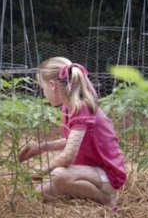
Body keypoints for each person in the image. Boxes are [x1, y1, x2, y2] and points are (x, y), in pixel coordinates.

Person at [19, 57, 126, 212]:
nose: (44, 93)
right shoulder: (69, 108)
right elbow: (74, 141)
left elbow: (69, 155)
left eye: (43, 88)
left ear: (52, 85)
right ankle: (82, 194)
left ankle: (107, 202)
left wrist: (40, 172)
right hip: (89, 171)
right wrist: (41, 147)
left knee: (58, 175)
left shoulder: (82, 108)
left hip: (108, 174)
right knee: (38, 194)